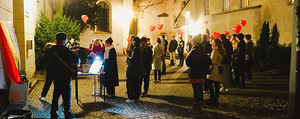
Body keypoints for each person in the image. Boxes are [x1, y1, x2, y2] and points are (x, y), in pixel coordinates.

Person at [37, 32, 77, 118]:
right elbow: (73, 62)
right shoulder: (67, 51)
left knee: (56, 94)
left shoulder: (50, 50)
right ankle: (67, 112)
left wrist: (38, 69)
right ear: (63, 40)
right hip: (65, 76)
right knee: (66, 95)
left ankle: (53, 113)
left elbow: (43, 62)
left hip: (55, 76)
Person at [186, 34, 209, 112]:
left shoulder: (194, 49)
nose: (191, 42)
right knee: (200, 88)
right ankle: (200, 103)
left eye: (192, 41)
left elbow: (188, 61)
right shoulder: (203, 48)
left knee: (195, 89)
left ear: (194, 42)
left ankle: (196, 105)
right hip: (202, 72)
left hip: (195, 72)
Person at [207, 39, 226, 105]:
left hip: (214, 69)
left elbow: (213, 62)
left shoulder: (215, 51)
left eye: (213, 42)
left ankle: (212, 98)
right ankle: (216, 99)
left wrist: (209, 57)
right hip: (219, 68)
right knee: (216, 84)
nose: (211, 43)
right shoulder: (221, 51)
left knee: (210, 83)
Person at [126, 37, 144, 103]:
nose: (132, 42)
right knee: (137, 84)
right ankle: (137, 97)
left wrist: (128, 57)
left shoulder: (135, 49)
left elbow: (132, 58)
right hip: (139, 69)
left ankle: (131, 98)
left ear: (135, 42)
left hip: (133, 69)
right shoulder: (141, 48)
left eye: (133, 41)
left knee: (131, 83)